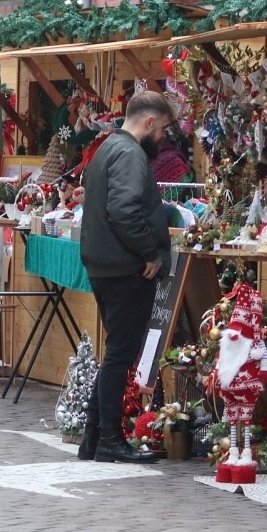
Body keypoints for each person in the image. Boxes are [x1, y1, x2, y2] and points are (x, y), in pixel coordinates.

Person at [76, 91, 174, 465]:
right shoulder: (131, 153)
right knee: (119, 355)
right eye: (163, 130)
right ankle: (109, 440)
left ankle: (94, 438)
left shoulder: (108, 148)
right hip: (124, 268)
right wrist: (150, 251)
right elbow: (124, 209)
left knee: (115, 353)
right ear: (149, 122)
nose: (163, 138)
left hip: (106, 265)